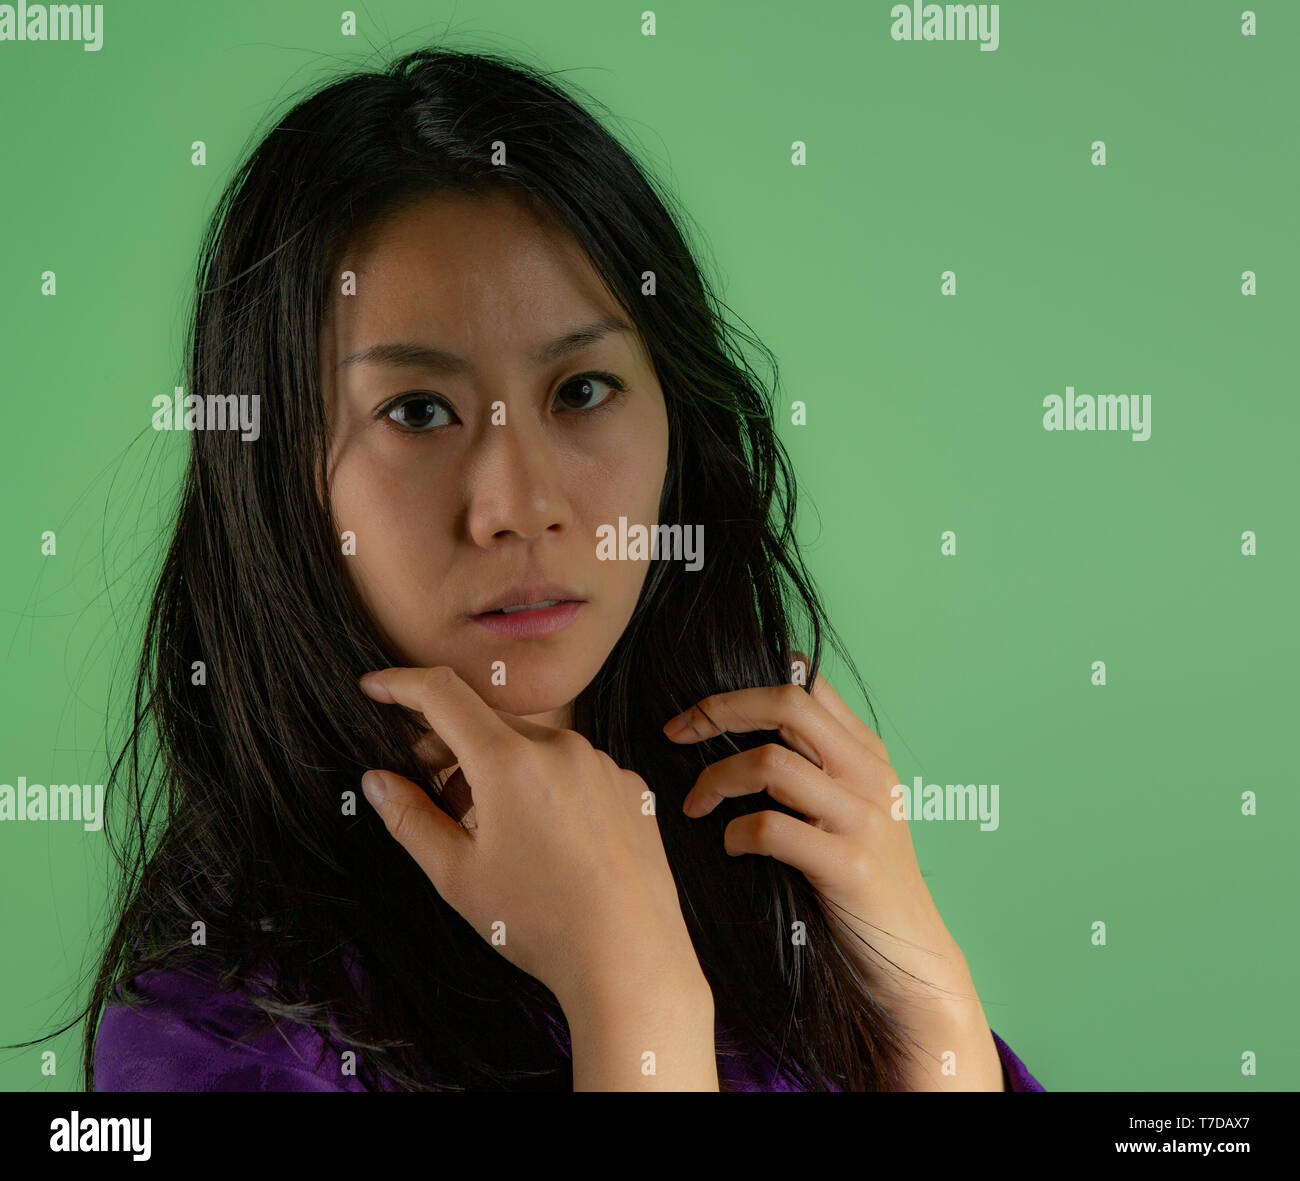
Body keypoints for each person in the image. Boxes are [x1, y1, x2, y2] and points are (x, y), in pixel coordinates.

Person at [85, 45, 1043, 1092]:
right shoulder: (216, 1038)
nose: (520, 504)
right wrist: (635, 996)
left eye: (582, 390)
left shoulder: (776, 886)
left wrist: (933, 1014)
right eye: (418, 411)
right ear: (275, 475)